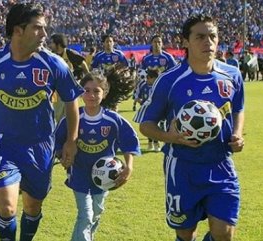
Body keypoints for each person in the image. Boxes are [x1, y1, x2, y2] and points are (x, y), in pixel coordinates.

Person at [0, 3, 84, 241]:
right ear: (18, 30)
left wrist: (71, 141)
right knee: (7, 207)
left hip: (41, 147)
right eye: (37, 28)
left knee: (32, 207)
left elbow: (72, 102)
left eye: (44, 28)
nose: (44, 34)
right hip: (4, 145)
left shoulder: (54, 64)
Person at [134, 14, 245, 241]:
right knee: (185, 234)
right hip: (182, 168)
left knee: (224, 233)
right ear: (185, 41)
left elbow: (238, 108)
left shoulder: (232, 75)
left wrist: (237, 133)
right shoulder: (169, 80)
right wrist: (170, 137)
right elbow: (145, 125)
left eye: (212, 36)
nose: (208, 42)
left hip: (220, 164)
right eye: (200, 37)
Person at [55, 66, 140, 241]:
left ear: (105, 94)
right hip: (78, 173)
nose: (91, 95)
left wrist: (129, 166)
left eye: (96, 91)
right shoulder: (73, 117)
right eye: (86, 91)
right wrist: (62, 156)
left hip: (105, 177)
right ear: (81, 92)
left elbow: (129, 141)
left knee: (96, 214)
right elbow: (57, 141)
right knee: (85, 215)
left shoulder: (113, 120)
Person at [49, 33, 90, 123]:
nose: (50, 45)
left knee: (67, 111)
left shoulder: (69, 53)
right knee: (57, 112)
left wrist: (88, 77)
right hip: (57, 88)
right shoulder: (52, 56)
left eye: (52, 43)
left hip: (70, 87)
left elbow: (82, 63)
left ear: (59, 44)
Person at [132, 68, 161, 152]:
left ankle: (156, 143)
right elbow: (137, 94)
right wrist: (138, 99)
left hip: (156, 109)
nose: (147, 79)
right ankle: (150, 143)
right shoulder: (143, 85)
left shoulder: (159, 86)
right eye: (147, 78)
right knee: (148, 126)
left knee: (156, 126)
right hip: (145, 110)